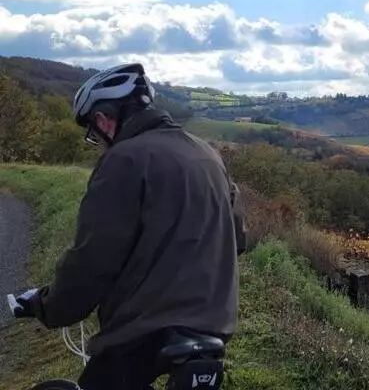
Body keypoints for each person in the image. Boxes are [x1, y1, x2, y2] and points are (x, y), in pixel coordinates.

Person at [12, 62, 247, 390]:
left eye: (94, 136)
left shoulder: (124, 160)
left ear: (103, 120)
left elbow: (93, 260)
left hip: (145, 330)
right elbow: (237, 239)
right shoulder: (208, 154)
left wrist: (49, 307)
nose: (99, 144)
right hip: (215, 325)